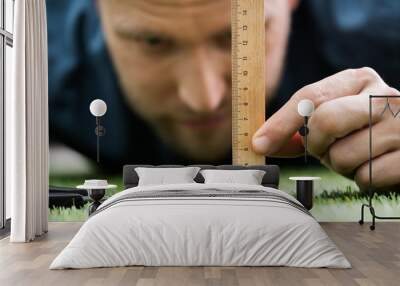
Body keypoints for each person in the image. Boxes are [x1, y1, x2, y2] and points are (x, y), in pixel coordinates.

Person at [47, 0, 400, 190]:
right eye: (153, 42)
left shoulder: (382, 31)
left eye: (233, 36)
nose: (204, 100)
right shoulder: (35, 55)